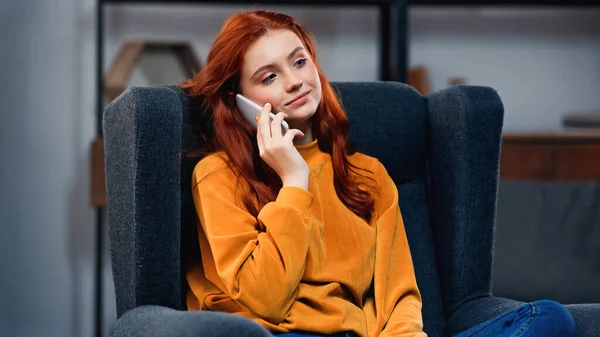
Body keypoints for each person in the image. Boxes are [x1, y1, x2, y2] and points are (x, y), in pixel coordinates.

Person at [180, 10, 577, 337]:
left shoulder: (368, 175)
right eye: (269, 76)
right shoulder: (218, 176)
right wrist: (294, 182)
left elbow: (400, 295)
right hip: (276, 335)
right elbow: (266, 297)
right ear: (239, 102)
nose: (295, 80)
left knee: (549, 318)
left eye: (300, 62)